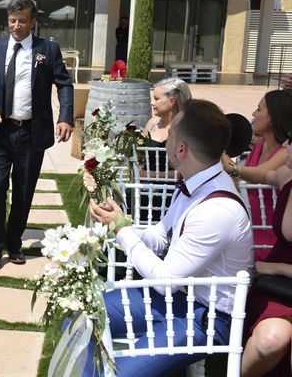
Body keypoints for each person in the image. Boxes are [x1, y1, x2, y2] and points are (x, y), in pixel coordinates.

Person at [87, 99, 253, 376]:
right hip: (176, 298)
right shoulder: (192, 184)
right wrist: (120, 222)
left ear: (180, 149)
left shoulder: (216, 209)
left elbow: (165, 281)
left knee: (117, 374)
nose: (164, 142)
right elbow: (161, 236)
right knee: (81, 316)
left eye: (170, 137)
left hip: (204, 317)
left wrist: (123, 232)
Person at [0, 0, 74, 270]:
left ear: (33, 22)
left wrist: (66, 117)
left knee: (23, 190)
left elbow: (64, 85)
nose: (16, 26)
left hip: (31, 133)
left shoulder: (48, 49)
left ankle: (14, 242)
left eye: (21, 21)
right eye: (11, 21)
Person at [241, 135, 292, 377]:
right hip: (281, 289)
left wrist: (276, 269)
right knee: (269, 341)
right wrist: (229, 167)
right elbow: (262, 175)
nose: (284, 146)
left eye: (291, 140)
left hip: (277, 273)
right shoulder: (287, 176)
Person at [224, 90, 292, 261]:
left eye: (259, 109)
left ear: (273, 118)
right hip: (248, 225)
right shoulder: (260, 144)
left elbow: (261, 174)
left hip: (268, 234)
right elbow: (243, 181)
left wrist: (231, 167)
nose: (253, 114)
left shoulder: (285, 153)